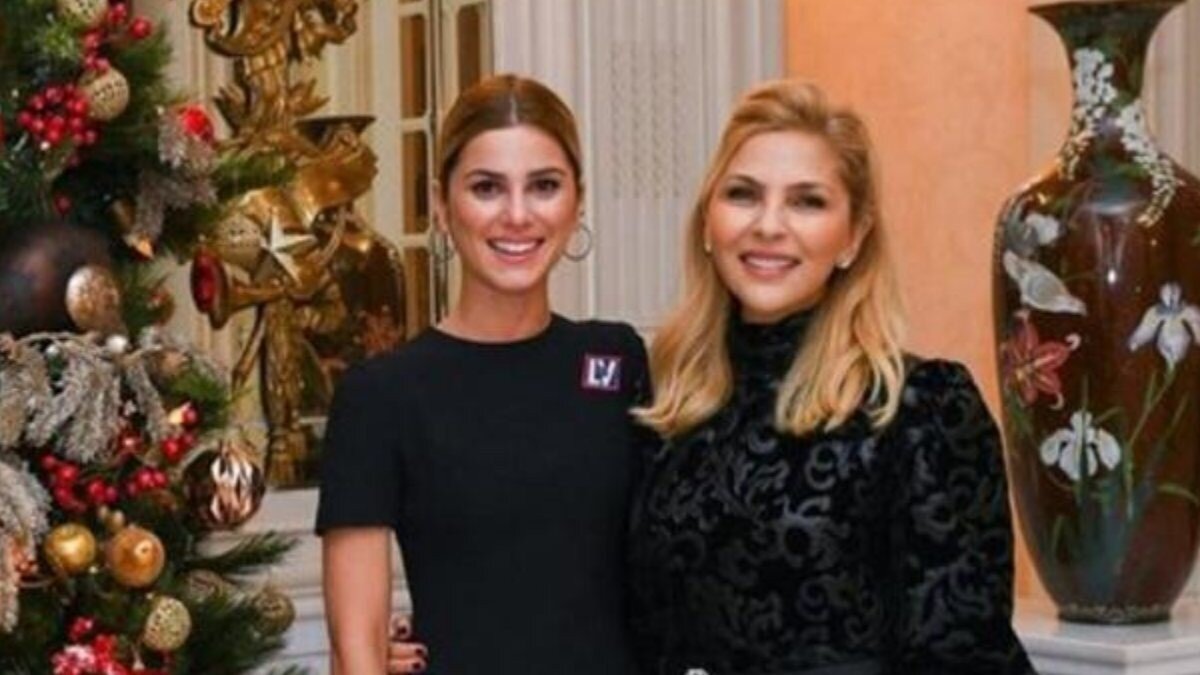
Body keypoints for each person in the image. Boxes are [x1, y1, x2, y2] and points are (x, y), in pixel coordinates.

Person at [626, 79, 1033, 674]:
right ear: (708, 223)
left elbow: (963, 658)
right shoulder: (668, 405)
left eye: (807, 202)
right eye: (743, 194)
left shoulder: (921, 408)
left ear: (854, 236)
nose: (768, 225)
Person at [316, 73, 646, 675]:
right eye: (487, 187)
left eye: (544, 185)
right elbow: (355, 652)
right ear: (441, 207)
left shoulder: (617, 360)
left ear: (578, 201)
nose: (517, 214)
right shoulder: (380, 397)